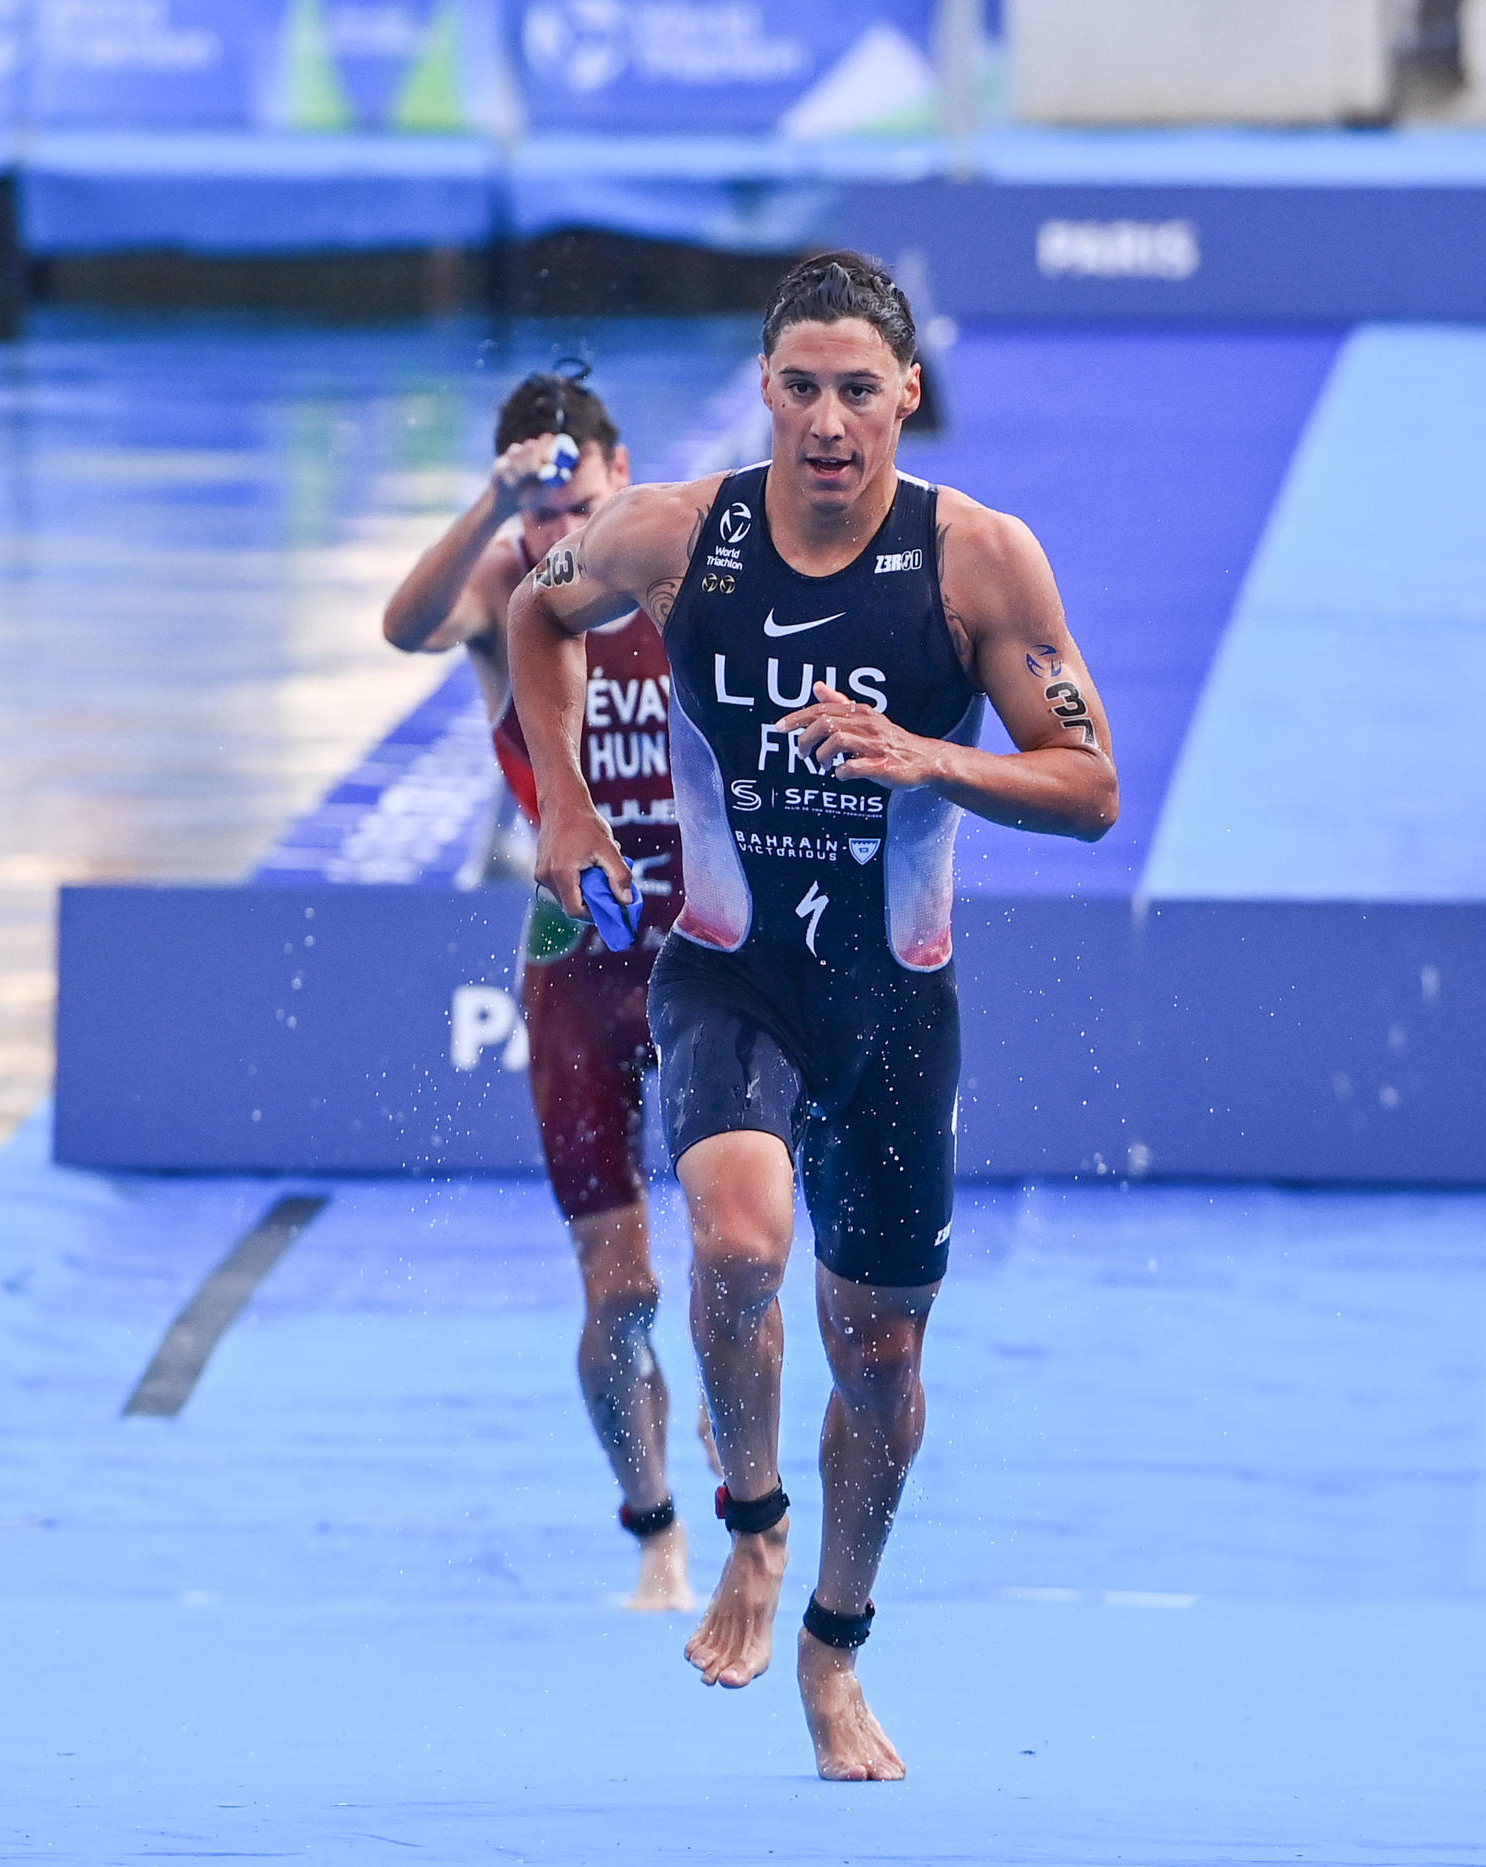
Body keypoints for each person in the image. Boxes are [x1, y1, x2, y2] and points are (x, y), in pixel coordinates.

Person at [504, 250, 1118, 1781]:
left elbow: (1090, 783)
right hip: (733, 967)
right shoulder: (675, 533)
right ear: (763, 390)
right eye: (801, 388)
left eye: (860, 389)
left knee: (886, 1369)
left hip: (894, 1008)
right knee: (733, 1241)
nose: (830, 422)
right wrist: (566, 807)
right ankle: (755, 1524)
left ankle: (837, 1641)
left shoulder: (983, 563)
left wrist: (933, 756)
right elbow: (533, 614)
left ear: (907, 392)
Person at [380, 367, 701, 1613]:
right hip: (580, 962)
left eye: (576, 502)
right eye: (539, 511)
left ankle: (751, 1496)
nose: (559, 538)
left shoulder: (673, 566)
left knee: (742, 1257)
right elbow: (405, 630)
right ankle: (653, 1525)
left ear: (620, 475)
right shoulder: (506, 592)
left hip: (710, 952)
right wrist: (488, 504)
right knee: (621, 1291)